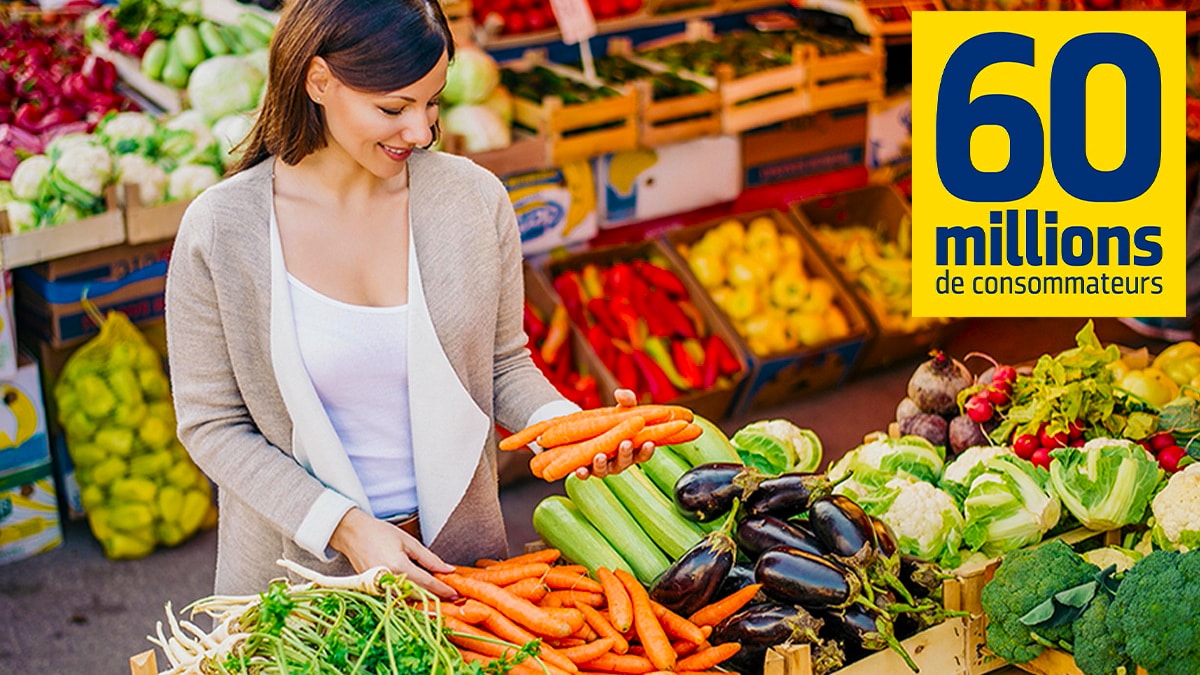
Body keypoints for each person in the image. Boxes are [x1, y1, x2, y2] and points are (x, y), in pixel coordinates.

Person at [164, 0, 653, 599]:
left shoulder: (473, 200)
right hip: (293, 582)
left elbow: (502, 363)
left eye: (433, 103)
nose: (420, 132)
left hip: (461, 574)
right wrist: (344, 528)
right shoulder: (220, 228)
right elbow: (213, 423)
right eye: (393, 108)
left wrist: (562, 427)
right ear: (318, 80)